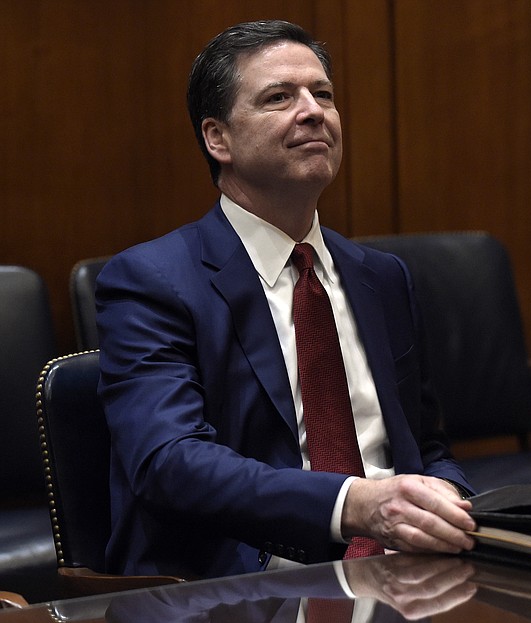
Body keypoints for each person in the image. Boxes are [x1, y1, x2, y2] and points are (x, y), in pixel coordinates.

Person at [95, 19, 476, 580]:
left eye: (323, 94)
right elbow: (169, 463)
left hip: (406, 573)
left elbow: (428, 444)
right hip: (241, 582)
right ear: (217, 138)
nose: (314, 111)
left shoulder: (383, 277)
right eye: (279, 98)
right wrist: (355, 505)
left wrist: (440, 496)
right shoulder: (151, 280)